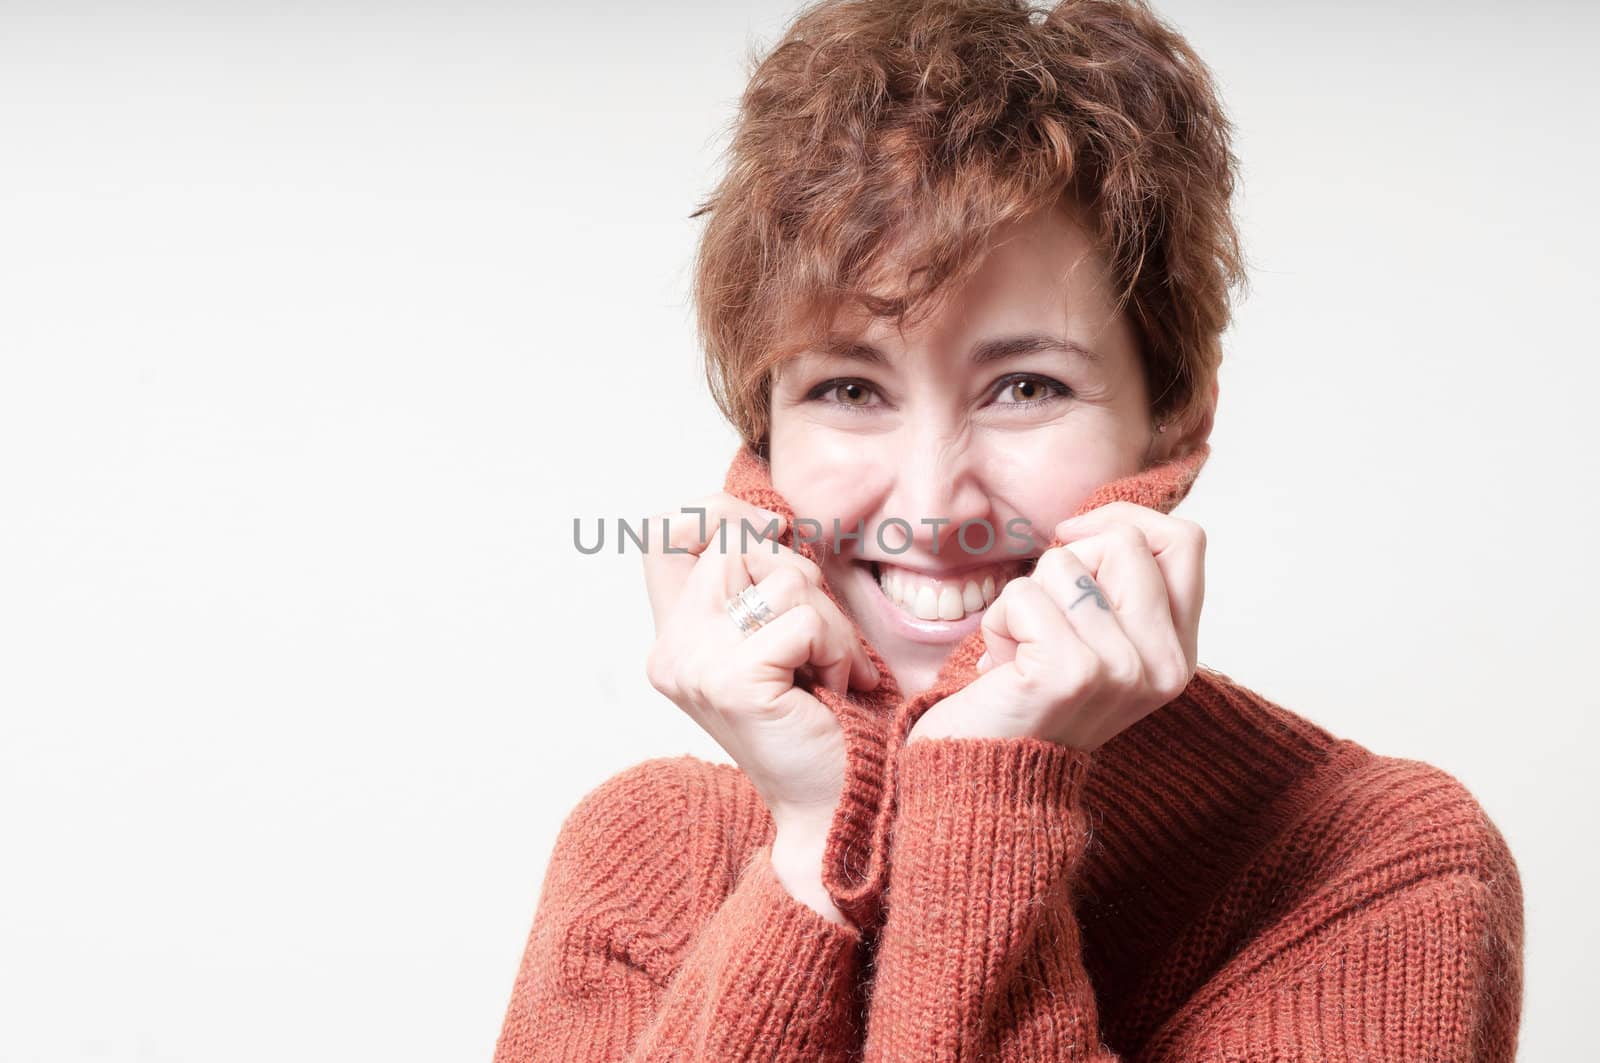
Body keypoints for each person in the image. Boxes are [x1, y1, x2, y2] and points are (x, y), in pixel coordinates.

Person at [494, 1, 1525, 1059]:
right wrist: (811, 847)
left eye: (1026, 386)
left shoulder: (1379, 860)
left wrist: (991, 792)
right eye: (848, 389)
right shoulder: (647, 848)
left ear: (1176, 414)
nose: (931, 503)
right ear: (762, 443)